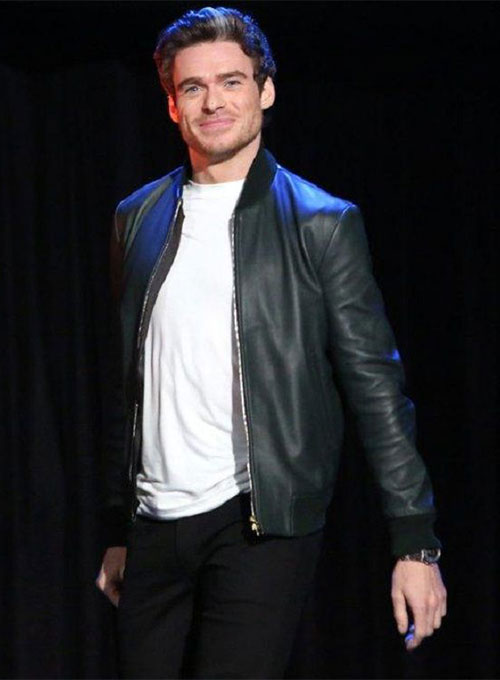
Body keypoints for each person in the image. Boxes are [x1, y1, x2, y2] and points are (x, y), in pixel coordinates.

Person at [96, 6, 447, 679]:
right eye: (193, 87)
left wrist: (416, 544)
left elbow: (376, 388)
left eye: (231, 81)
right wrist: (118, 528)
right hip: (154, 528)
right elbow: (128, 383)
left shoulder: (321, 224)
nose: (213, 102)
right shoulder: (135, 219)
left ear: (265, 90)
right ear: (171, 105)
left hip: (260, 522)